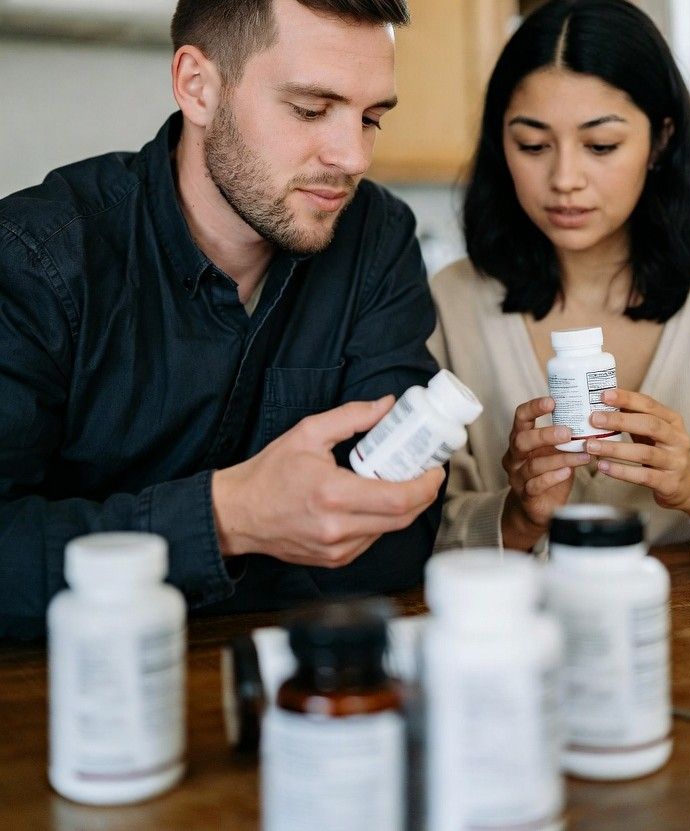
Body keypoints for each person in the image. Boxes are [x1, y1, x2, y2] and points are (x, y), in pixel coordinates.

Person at [0, 0, 446, 638]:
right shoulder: (39, 257)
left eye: (372, 117)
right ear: (197, 87)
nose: (353, 157)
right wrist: (224, 518)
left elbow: (399, 539)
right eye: (311, 109)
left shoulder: (376, 240)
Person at [428, 0, 690, 574]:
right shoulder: (452, 301)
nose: (565, 179)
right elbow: (403, 535)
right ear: (501, 144)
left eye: (601, 146)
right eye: (533, 145)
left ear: (661, 140)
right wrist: (518, 516)